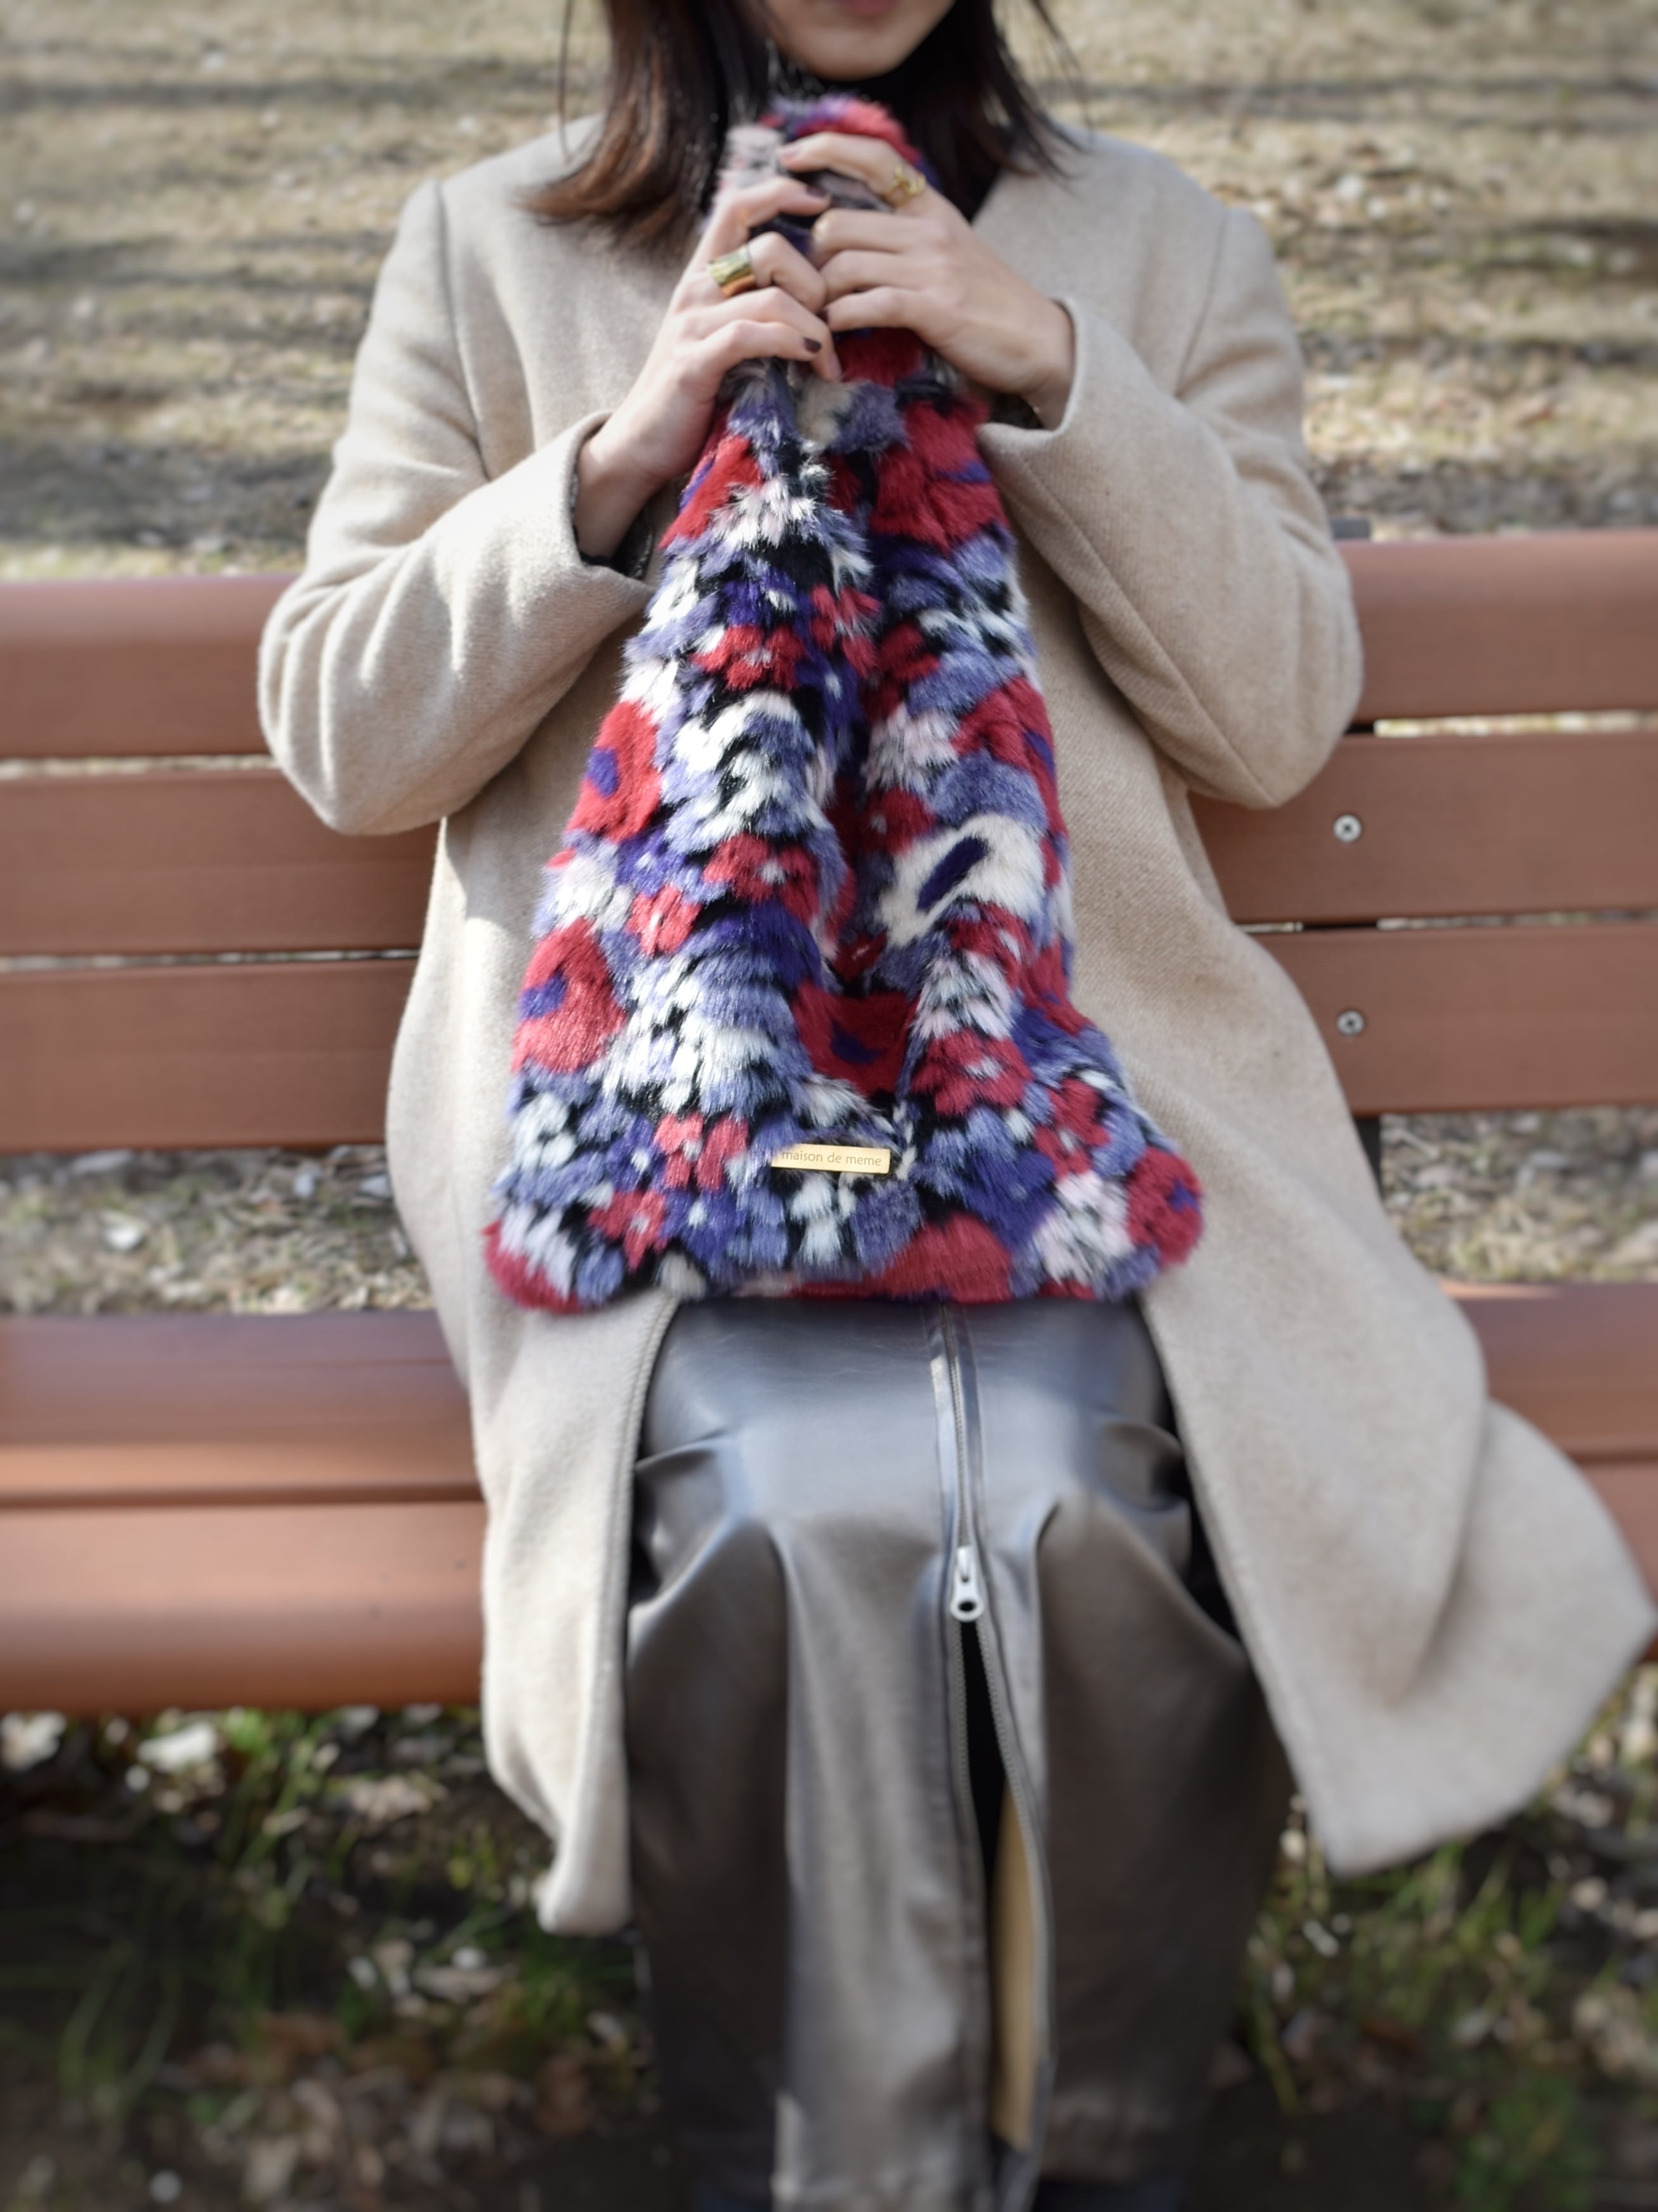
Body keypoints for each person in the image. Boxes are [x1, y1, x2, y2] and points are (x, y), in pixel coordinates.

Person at [258, 4, 1654, 2208]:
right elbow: (344, 735)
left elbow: (1278, 713)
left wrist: (1052, 366)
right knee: (788, 1510)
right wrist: (622, 451)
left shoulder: (1165, 248)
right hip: (659, 1142)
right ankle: (815, 2170)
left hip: (1075, 1126)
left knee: (1078, 1499)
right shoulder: (492, 249)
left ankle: (1086, 2162)